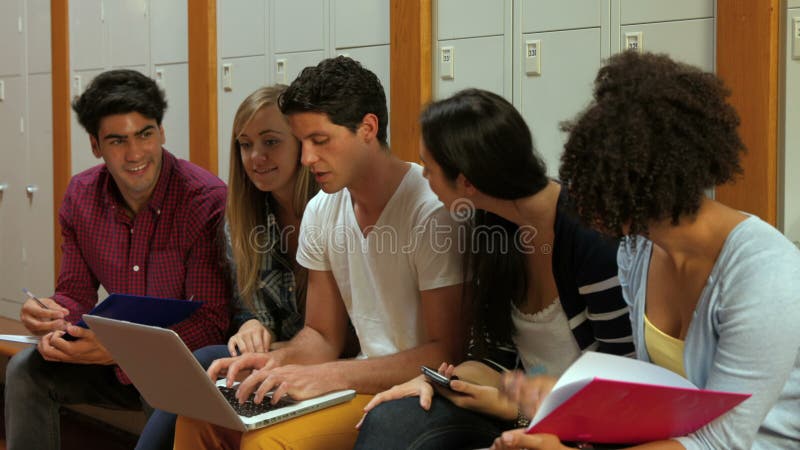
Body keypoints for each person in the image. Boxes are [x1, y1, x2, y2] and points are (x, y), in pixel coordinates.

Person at [491, 51, 800, 450]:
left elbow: (719, 443)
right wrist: (565, 396)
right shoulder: (639, 250)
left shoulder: (766, 277)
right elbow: (658, 396)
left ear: (639, 189)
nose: (587, 210)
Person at [173, 56, 465, 449]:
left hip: (418, 390)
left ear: (367, 128)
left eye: (320, 141)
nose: (306, 158)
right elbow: (322, 335)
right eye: (302, 141)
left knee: (264, 443)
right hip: (357, 381)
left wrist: (330, 375)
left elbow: (446, 352)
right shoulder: (322, 209)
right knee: (201, 415)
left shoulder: (429, 211)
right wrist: (271, 362)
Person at [353, 88, 635, 450]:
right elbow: (496, 356)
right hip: (517, 409)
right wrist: (438, 381)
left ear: (468, 182)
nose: (424, 177)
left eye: (430, 167)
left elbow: (624, 382)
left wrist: (521, 411)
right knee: (394, 418)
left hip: (586, 428)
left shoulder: (590, 240)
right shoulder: (492, 228)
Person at [3, 69, 230, 450]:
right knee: (25, 369)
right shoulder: (81, 195)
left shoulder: (204, 199)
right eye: (117, 140)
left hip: (181, 363)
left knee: (164, 385)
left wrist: (125, 351)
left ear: (161, 132)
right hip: (109, 359)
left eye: (145, 134)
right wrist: (53, 315)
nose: (136, 153)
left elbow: (211, 323)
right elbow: (75, 293)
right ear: (96, 146)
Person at [135, 85, 319, 450]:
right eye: (245, 144)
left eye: (270, 142)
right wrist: (249, 322)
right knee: (202, 369)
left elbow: (342, 334)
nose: (255, 157)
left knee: (206, 360)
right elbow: (243, 308)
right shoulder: (240, 220)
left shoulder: (330, 211)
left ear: (301, 143)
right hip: (270, 358)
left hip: (322, 363)